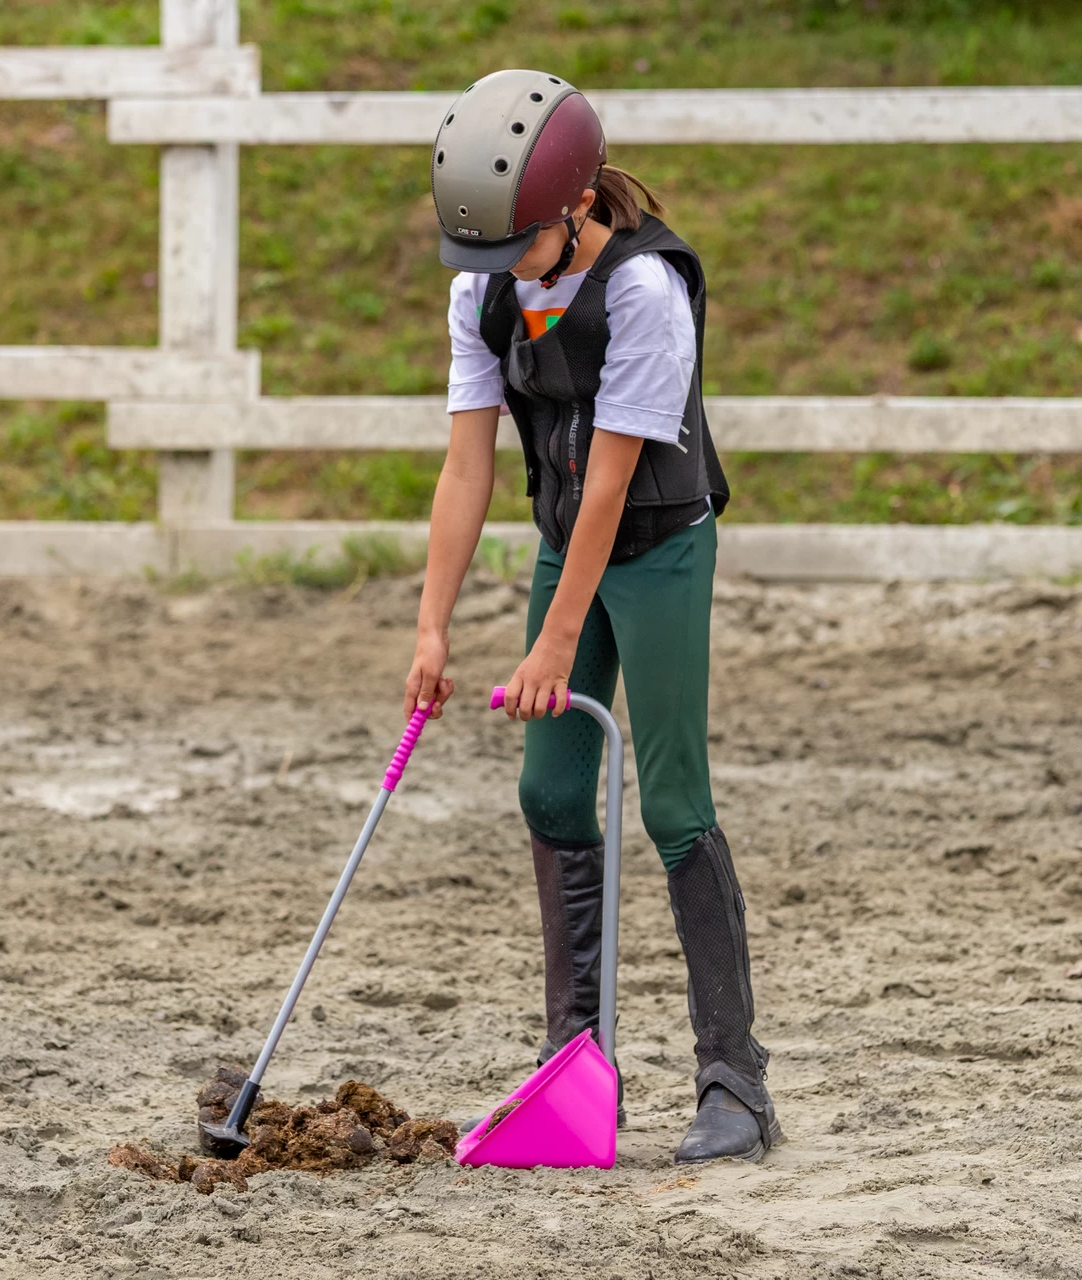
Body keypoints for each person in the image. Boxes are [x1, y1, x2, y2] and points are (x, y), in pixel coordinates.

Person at [402, 69, 781, 1163]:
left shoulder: (644, 293)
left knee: (669, 798)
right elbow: (466, 466)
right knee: (550, 787)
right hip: (570, 544)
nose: (496, 275)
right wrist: (432, 626)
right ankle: (577, 1070)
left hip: (656, 550)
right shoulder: (484, 288)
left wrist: (553, 641)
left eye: (515, 247)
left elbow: (613, 483)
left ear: (571, 211)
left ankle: (736, 1082)